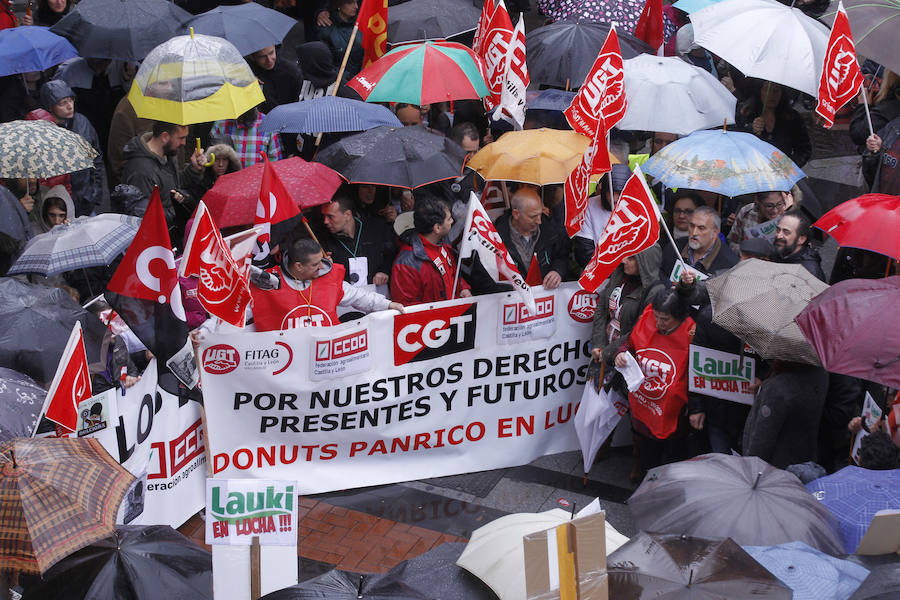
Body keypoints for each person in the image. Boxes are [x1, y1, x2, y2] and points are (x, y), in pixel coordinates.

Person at [614, 289, 696, 476]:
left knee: (672, 462)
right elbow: (629, 342)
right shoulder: (647, 318)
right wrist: (621, 352)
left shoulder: (692, 333)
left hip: (675, 415)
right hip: (643, 406)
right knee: (647, 458)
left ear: (679, 316)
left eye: (665, 319)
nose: (659, 323)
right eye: (656, 317)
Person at [250, 237, 402, 331]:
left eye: (321, 261)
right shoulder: (267, 282)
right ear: (299, 266)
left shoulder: (328, 278)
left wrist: (388, 305)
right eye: (315, 264)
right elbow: (243, 313)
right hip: (286, 363)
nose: (322, 266)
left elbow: (359, 297)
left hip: (326, 361)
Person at [121, 121, 205, 245]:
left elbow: (175, 184)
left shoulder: (168, 155)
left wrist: (194, 169)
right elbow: (144, 216)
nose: (184, 143)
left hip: (171, 234)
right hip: (156, 242)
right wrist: (177, 209)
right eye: (181, 138)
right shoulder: (141, 171)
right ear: (165, 136)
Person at [743, 360, 829, 469]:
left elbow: (761, 442)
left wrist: (749, 469)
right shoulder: (821, 375)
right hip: (804, 462)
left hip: (773, 469)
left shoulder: (778, 387)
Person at [39, 80, 107, 217]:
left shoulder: (82, 123)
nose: (70, 106)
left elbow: (96, 158)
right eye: (63, 103)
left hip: (86, 199)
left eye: (71, 100)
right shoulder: (43, 131)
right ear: (50, 107)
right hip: (59, 205)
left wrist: (95, 191)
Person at [591, 245, 665, 366]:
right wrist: (598, 343)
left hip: (625, 358)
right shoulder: (619, 275)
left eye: (631, 257)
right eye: (625, 254)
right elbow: (601, 308)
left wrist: (610, 352)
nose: (623, 260)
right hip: (603, 352)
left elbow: (640, 330)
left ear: (645, 262)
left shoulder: (655, 292)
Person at [391, 196, 471, 305]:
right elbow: (406, 307)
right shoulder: (406, 264)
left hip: (452, 313)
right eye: (448, 219)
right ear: (437, 228)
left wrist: (462, 288)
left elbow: (453, 275)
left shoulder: (444, 245)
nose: (452, 221)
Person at [495, 187, 569, 289]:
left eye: (540, 214)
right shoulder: (495, 237)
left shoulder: (550, 230)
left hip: (545, 294)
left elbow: (561, 257)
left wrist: (557, 271)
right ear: (516, 214)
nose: (539, 221)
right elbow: (485, 274)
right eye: (533, 216)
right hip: (510, 296)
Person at [318, 193, 398, 286]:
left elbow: (391, 253)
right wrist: (326, 266)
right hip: (345, 292)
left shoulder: (374, 228)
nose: (325, 221)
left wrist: (384, 271)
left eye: (330, 216)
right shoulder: (323, 239)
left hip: (377, 289)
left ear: (347, 215)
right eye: (324, 216)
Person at [737, 80, 811, 167]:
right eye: (767, 89)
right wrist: (751, 129)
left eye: (776, 90)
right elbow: (737, 142)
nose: (772, 94)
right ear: (759, 91)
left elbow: (803, 149)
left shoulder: (792, 117)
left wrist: (790, 165)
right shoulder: (746, 113)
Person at [660, 205, 738, 280]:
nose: (694, 232)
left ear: (715, 232)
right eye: (692, 226)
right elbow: (660, 273)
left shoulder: (729, 263)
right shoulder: (674, 247)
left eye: (701, 228)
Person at [210, 107, 282, 168]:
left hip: (257, 178)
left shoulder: (268, 124)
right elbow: (211, 157)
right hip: (227, 178)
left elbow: (275, 161)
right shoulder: (221, 124)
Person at [726, 190, 791, 252]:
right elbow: (733, 242)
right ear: (757, 201)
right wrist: (746, 252)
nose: (775, 211)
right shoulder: (746, 212)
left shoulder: (789, 216)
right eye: (769, 206)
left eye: (779, 204)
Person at [771, 210, 826, 280]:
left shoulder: (809, 272)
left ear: (801, 239)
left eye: (786, 232)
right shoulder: (779, 252)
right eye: (778, 230)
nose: (779, 235)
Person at [248, 45, 302, 114]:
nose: (269, 60)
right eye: (262, 57)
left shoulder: (291, 72)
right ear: (252, 57)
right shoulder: (246, 72)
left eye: (271, 53)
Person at [318, 0, 364, 81]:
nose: (356, 7)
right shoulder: (327, 29)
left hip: (361, 79)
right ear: (339, 5)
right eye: (350, 3)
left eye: (356, 2)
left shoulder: (362, 24)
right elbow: (325, 62)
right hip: (338, 80)